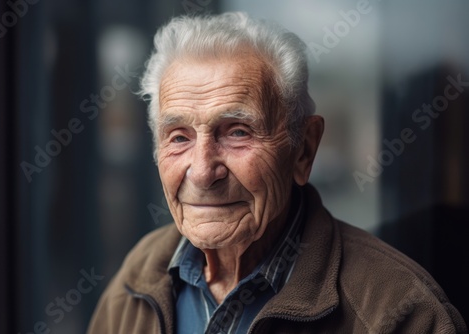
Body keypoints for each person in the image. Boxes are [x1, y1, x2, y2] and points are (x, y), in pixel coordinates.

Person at [87, 12, 467, 334]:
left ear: (303, 150)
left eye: (237, 132)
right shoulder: (139, 275)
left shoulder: (399, 311)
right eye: (179, 137)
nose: (203, 172)